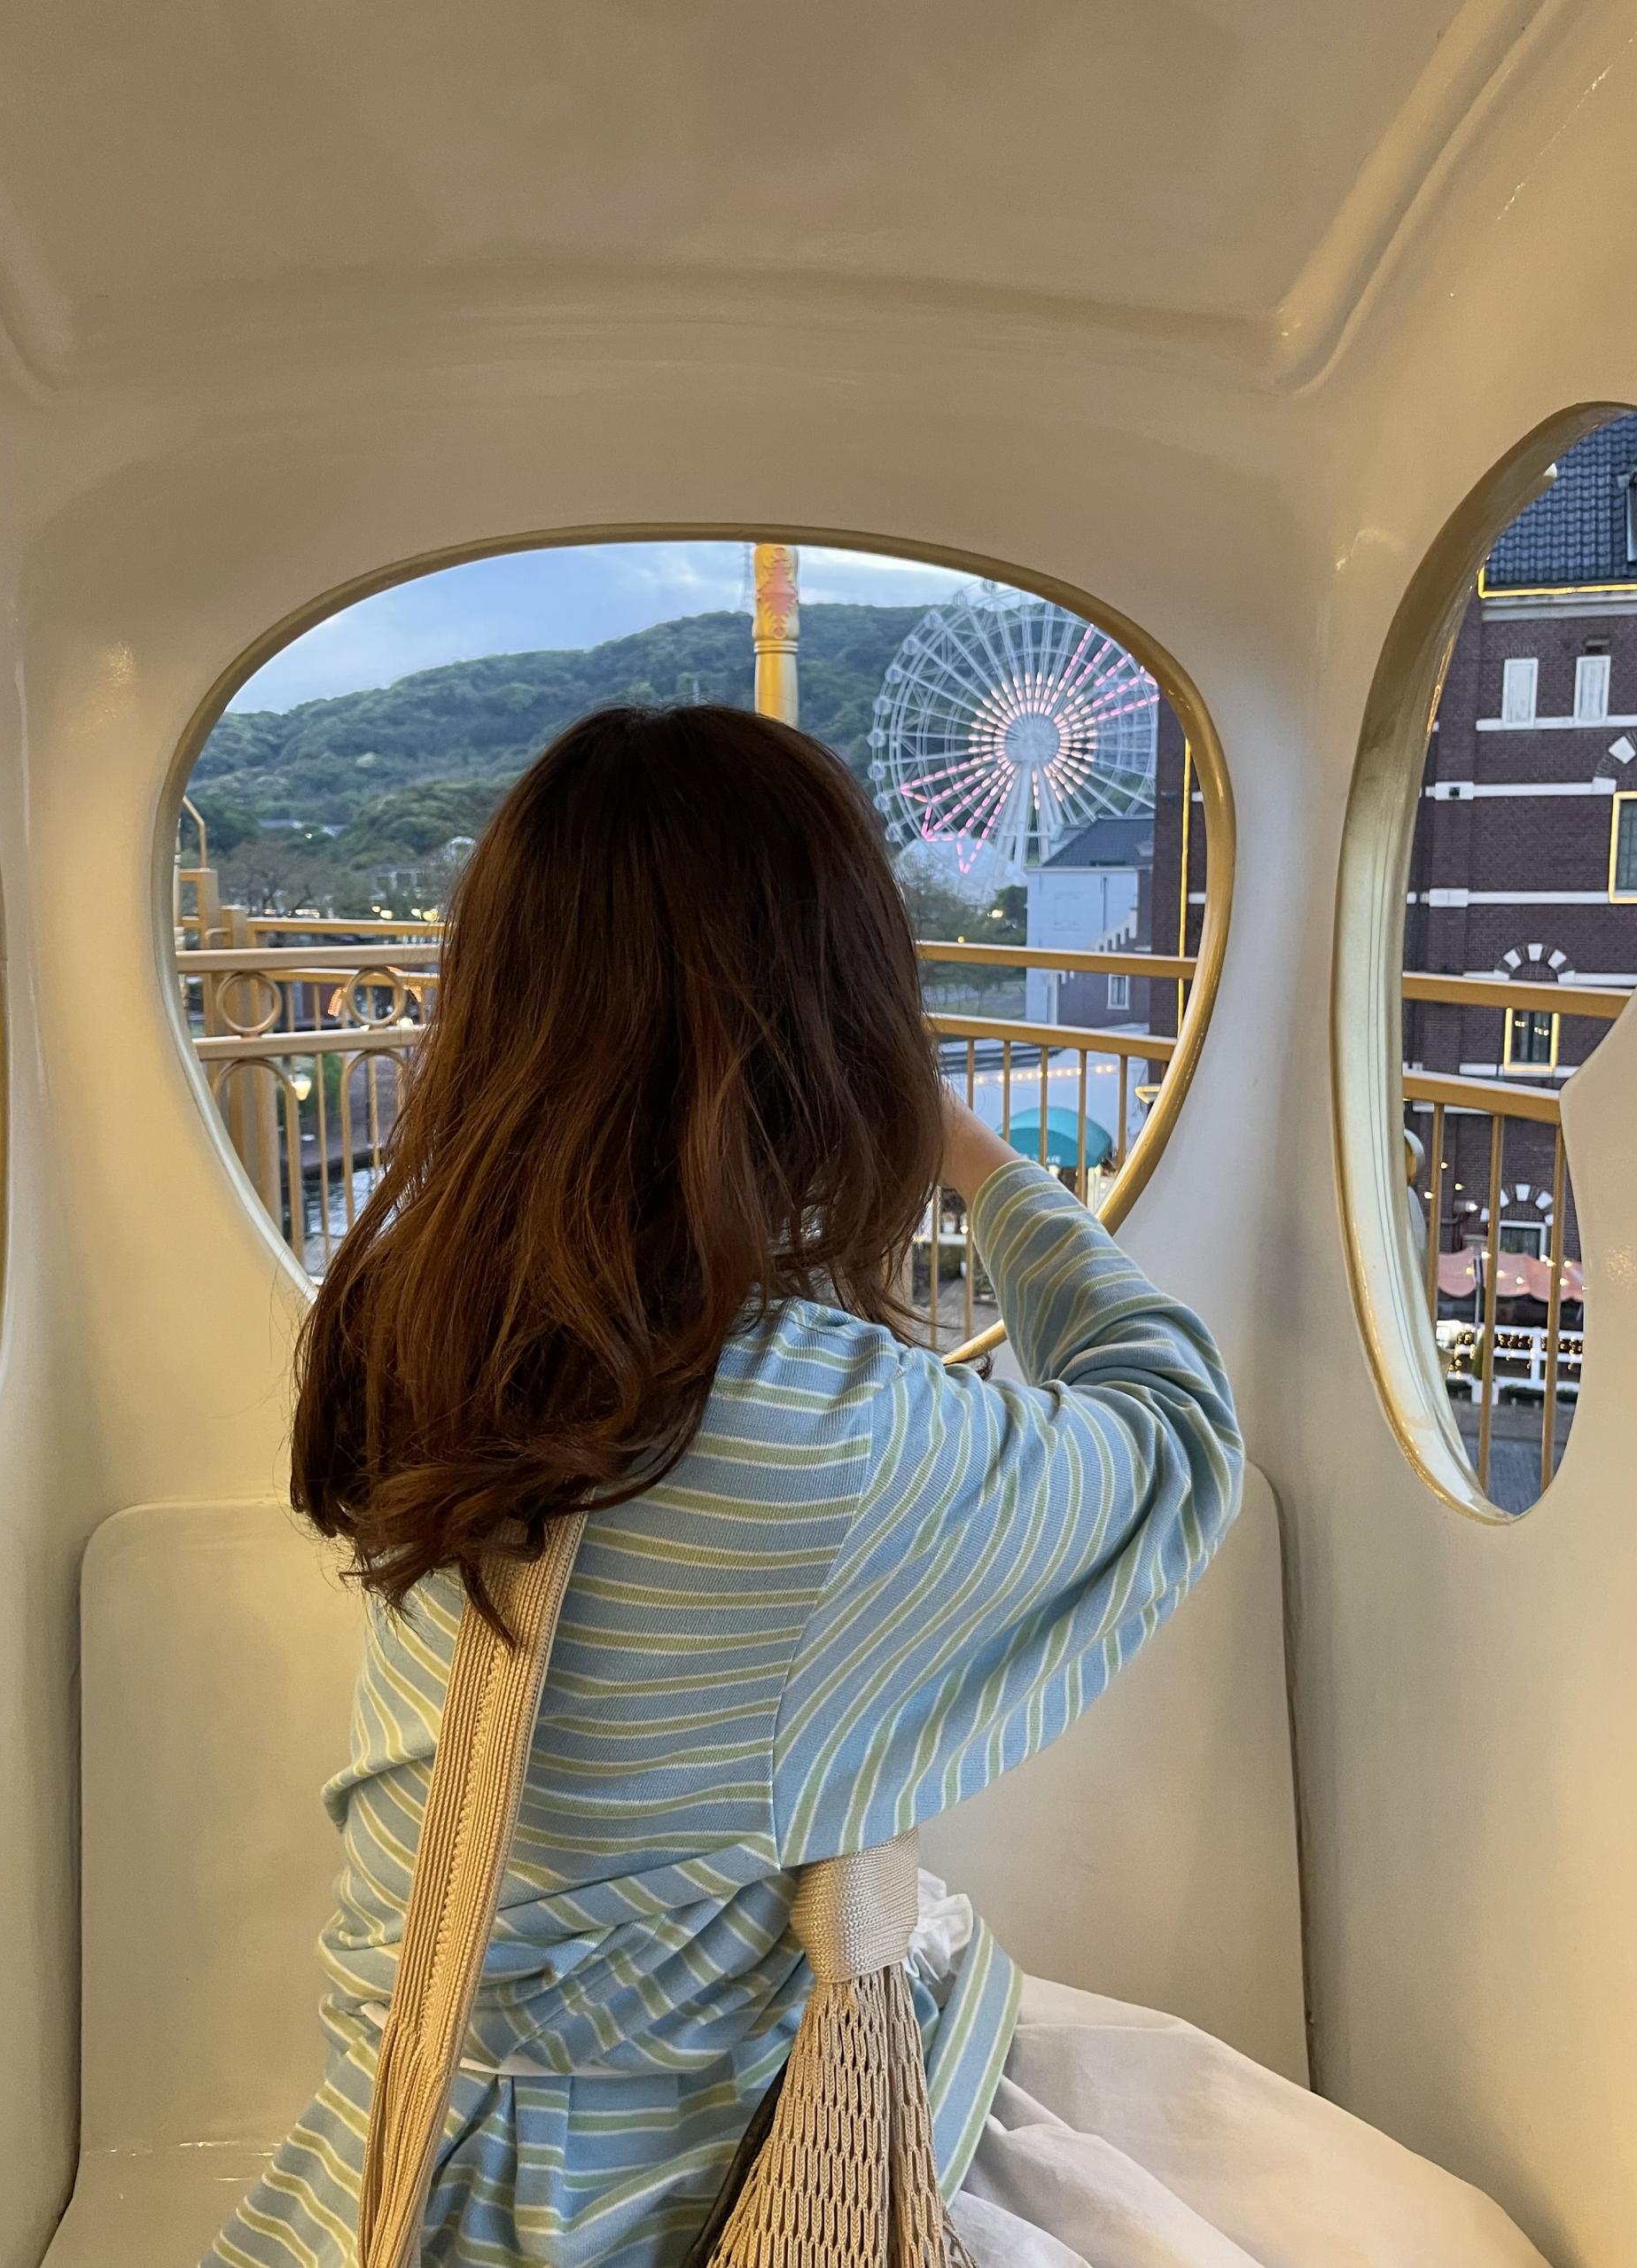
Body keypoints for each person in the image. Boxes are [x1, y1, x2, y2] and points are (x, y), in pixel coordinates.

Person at [207, 705, 1542, 2268]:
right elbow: (1179, 1432)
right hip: (680, 2170)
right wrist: (971, 1154)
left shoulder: (423, 1336)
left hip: (414, 2133)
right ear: (835, 1030)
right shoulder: (808, 1437)